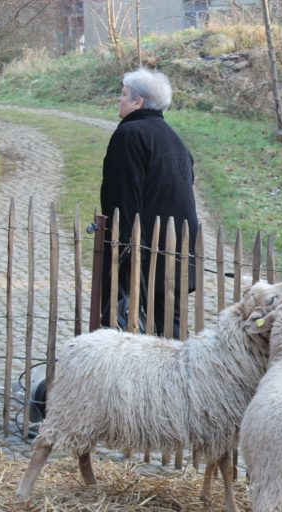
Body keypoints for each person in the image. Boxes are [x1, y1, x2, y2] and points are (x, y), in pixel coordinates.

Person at [100, 67, 198, 338]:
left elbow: (122, 200)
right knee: (171, 334)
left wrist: (121, 254)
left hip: (144, 260)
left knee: (125, 337)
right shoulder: (174, 138)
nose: (119, 100)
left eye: (123, 94)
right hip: (178, 254)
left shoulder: (129, 135)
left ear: (138, 103)